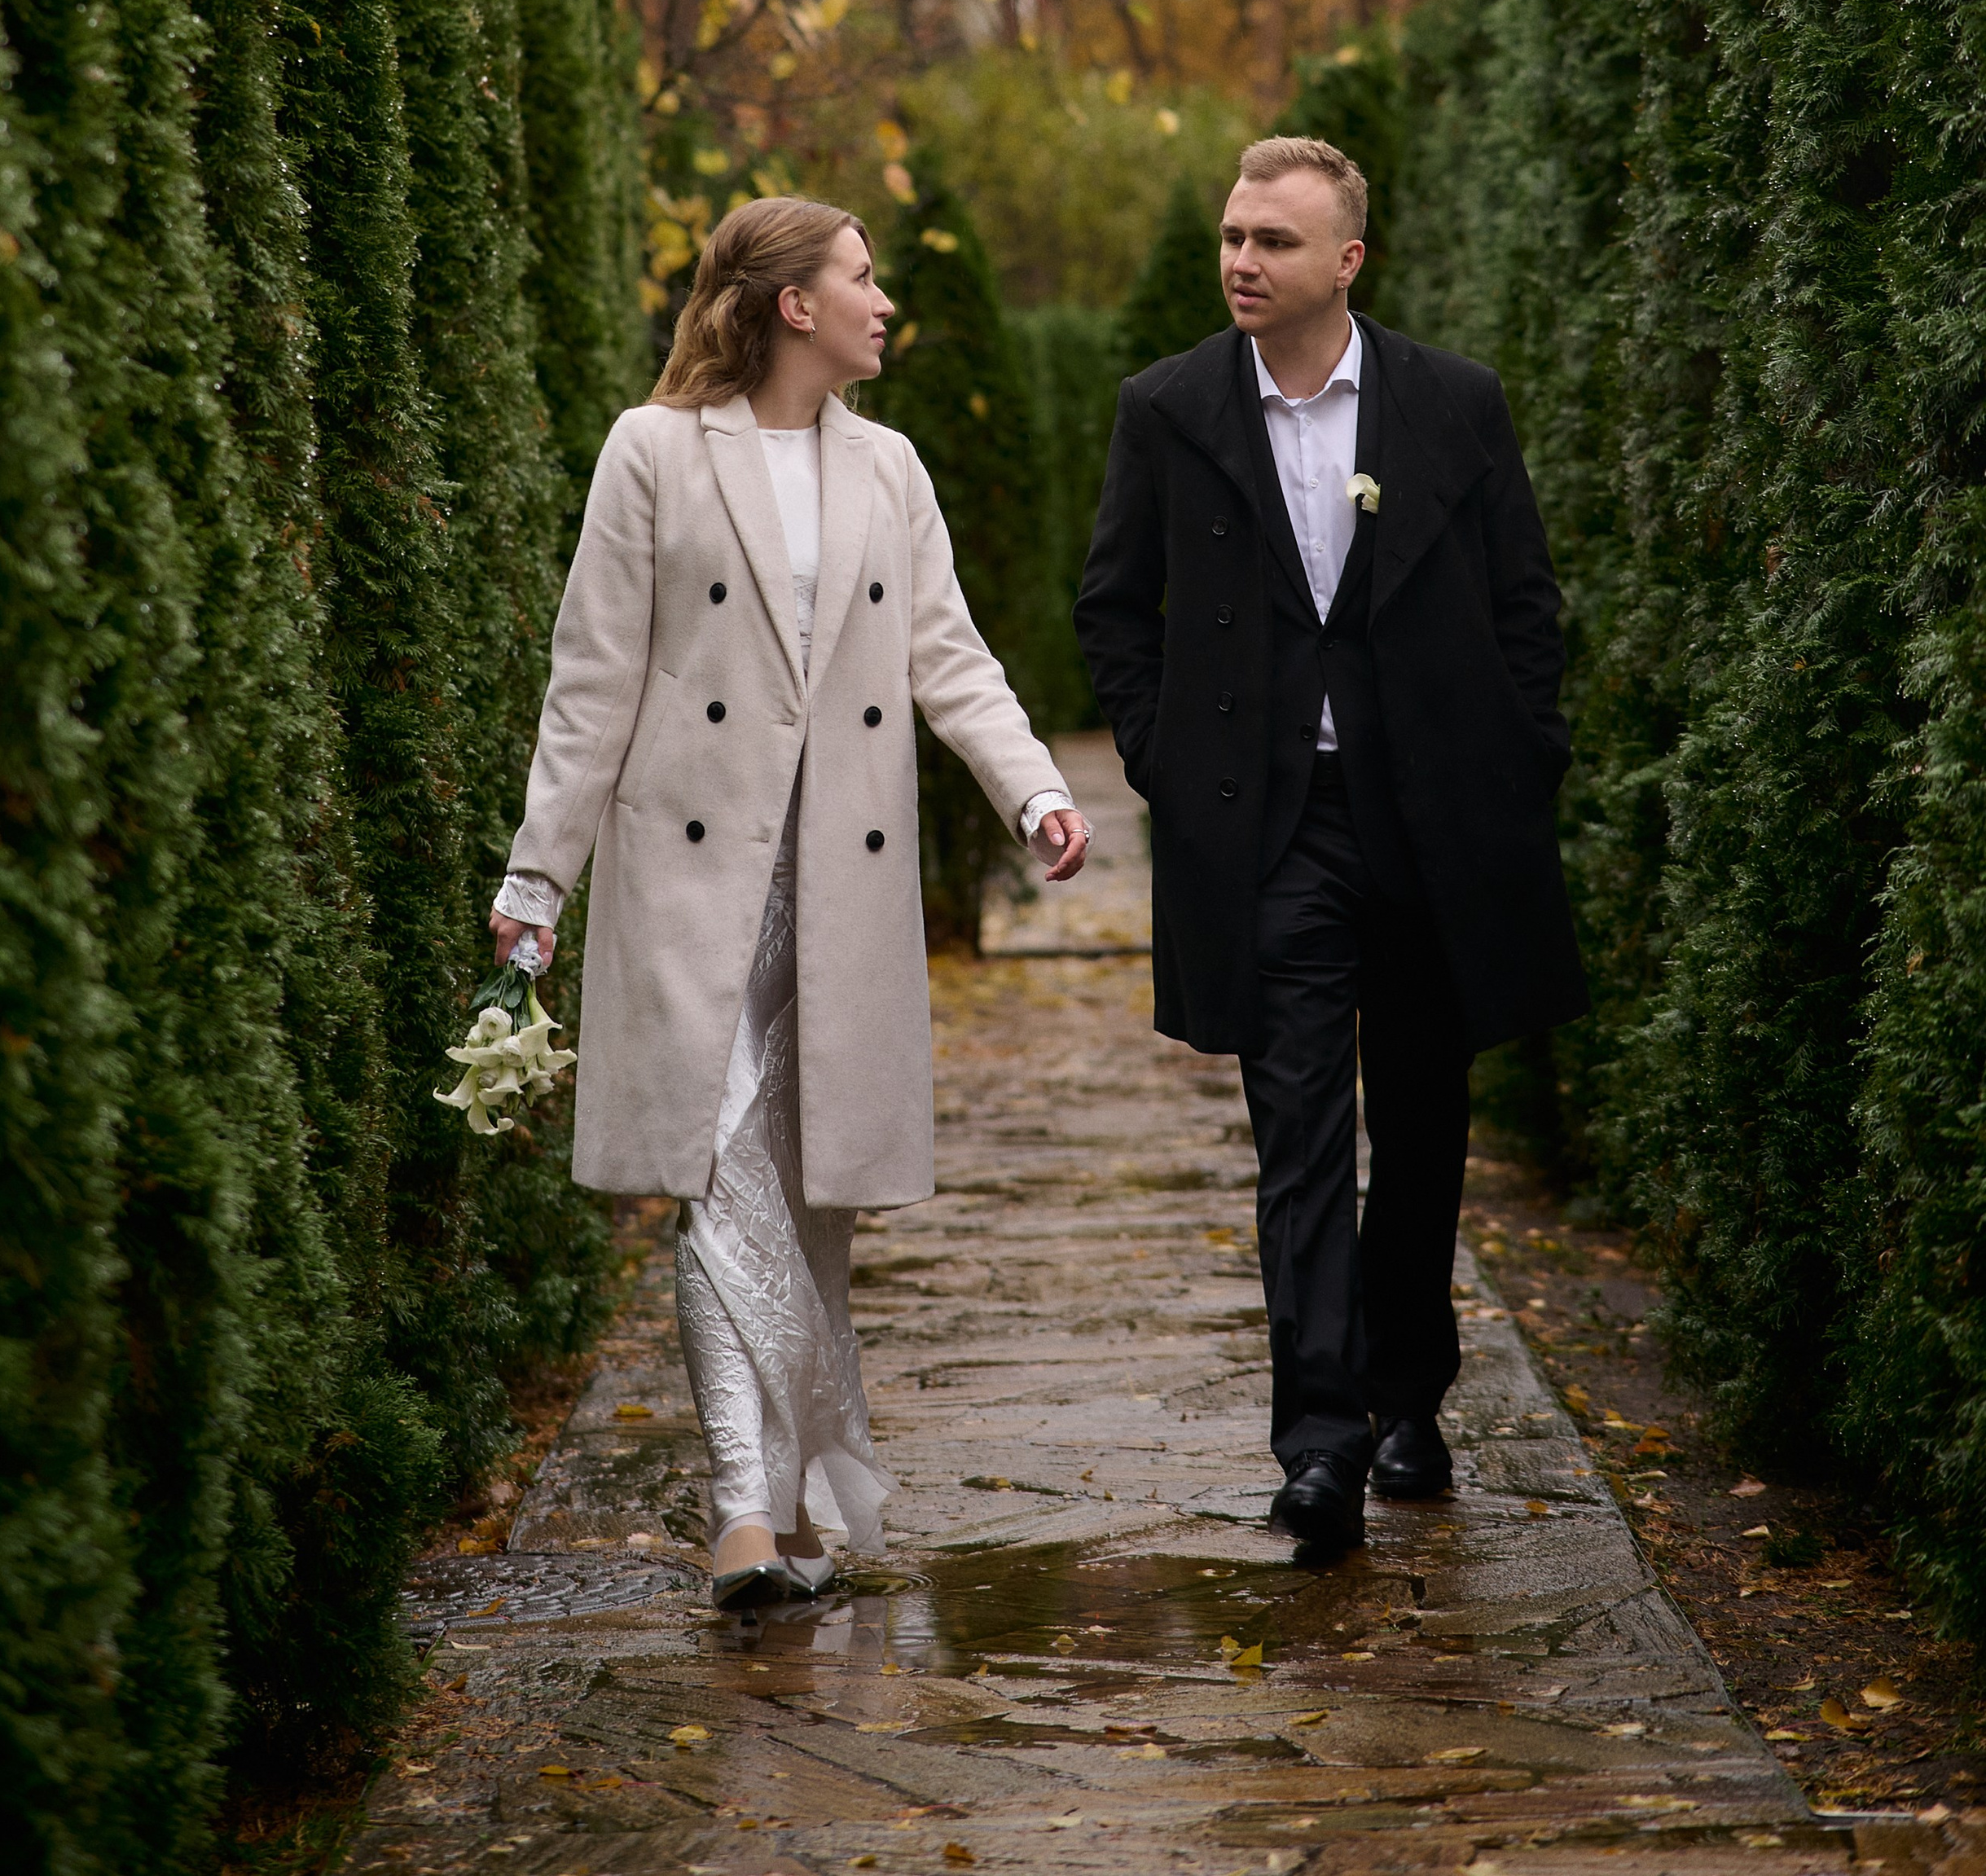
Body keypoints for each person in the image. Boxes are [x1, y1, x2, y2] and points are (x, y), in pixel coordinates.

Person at [490, 197, 1092, 1610]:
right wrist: (537, 879)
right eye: (865, 278)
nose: (887, 303)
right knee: (714, 1175)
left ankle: (808, 1494)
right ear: (793, 304)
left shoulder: (889, 468)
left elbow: (950, 655)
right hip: (692, 877)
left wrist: (1035, 791)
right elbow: (593, 683)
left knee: (811, 1202)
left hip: (841, 884)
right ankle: (741, 1518)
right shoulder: (652, 451)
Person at [1073, 134, 1584, 1565]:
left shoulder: (1450, 404)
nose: (1242, 260)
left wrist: (1517, 758)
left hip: (1433, 824)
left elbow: (1525, 605)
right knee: (1296, 1131)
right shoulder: (1167, 408)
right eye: (1233, 235)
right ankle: (1320, 1443)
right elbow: (1115, 604)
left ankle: (1410, 1390)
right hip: (1266, 834)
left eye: (1274, 241)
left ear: (1346, 260)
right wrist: (1169, 759)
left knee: (1421, 1127)